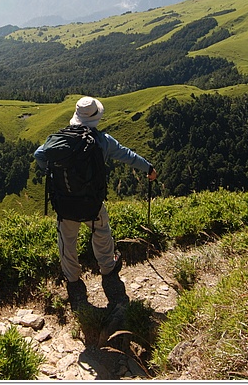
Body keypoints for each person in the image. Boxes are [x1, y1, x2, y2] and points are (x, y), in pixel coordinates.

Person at [34, 96, 157, 309]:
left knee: (67, 241)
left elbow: (39, 154)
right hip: (92, 203)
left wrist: (52, 171)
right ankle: (108, 269)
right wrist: (149, 169)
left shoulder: (59, 139)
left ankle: (73, 281)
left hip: (65, 204)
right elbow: (127, 155)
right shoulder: (103, 141)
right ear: (96, 117)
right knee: (102, 233)